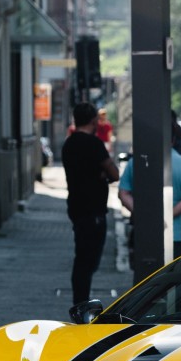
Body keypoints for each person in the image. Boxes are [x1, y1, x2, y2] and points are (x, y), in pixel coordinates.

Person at [62, 102, 119, 305]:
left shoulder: (68, 144)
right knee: (88, 261)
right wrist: (102, 173)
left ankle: (80, 301)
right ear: (94, 120)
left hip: (76, 208)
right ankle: (81, 304)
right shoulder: (94, 144)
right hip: (94, 211)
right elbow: (114, 173)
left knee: (82, 258)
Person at [118, 146, 181, 260]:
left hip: (144, 231)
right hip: (176, 232)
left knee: (144, 273)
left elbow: (123, 193)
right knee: (172, 273)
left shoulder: (135, 162)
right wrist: (168, 215)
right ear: (173, 140)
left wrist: (143, 215)